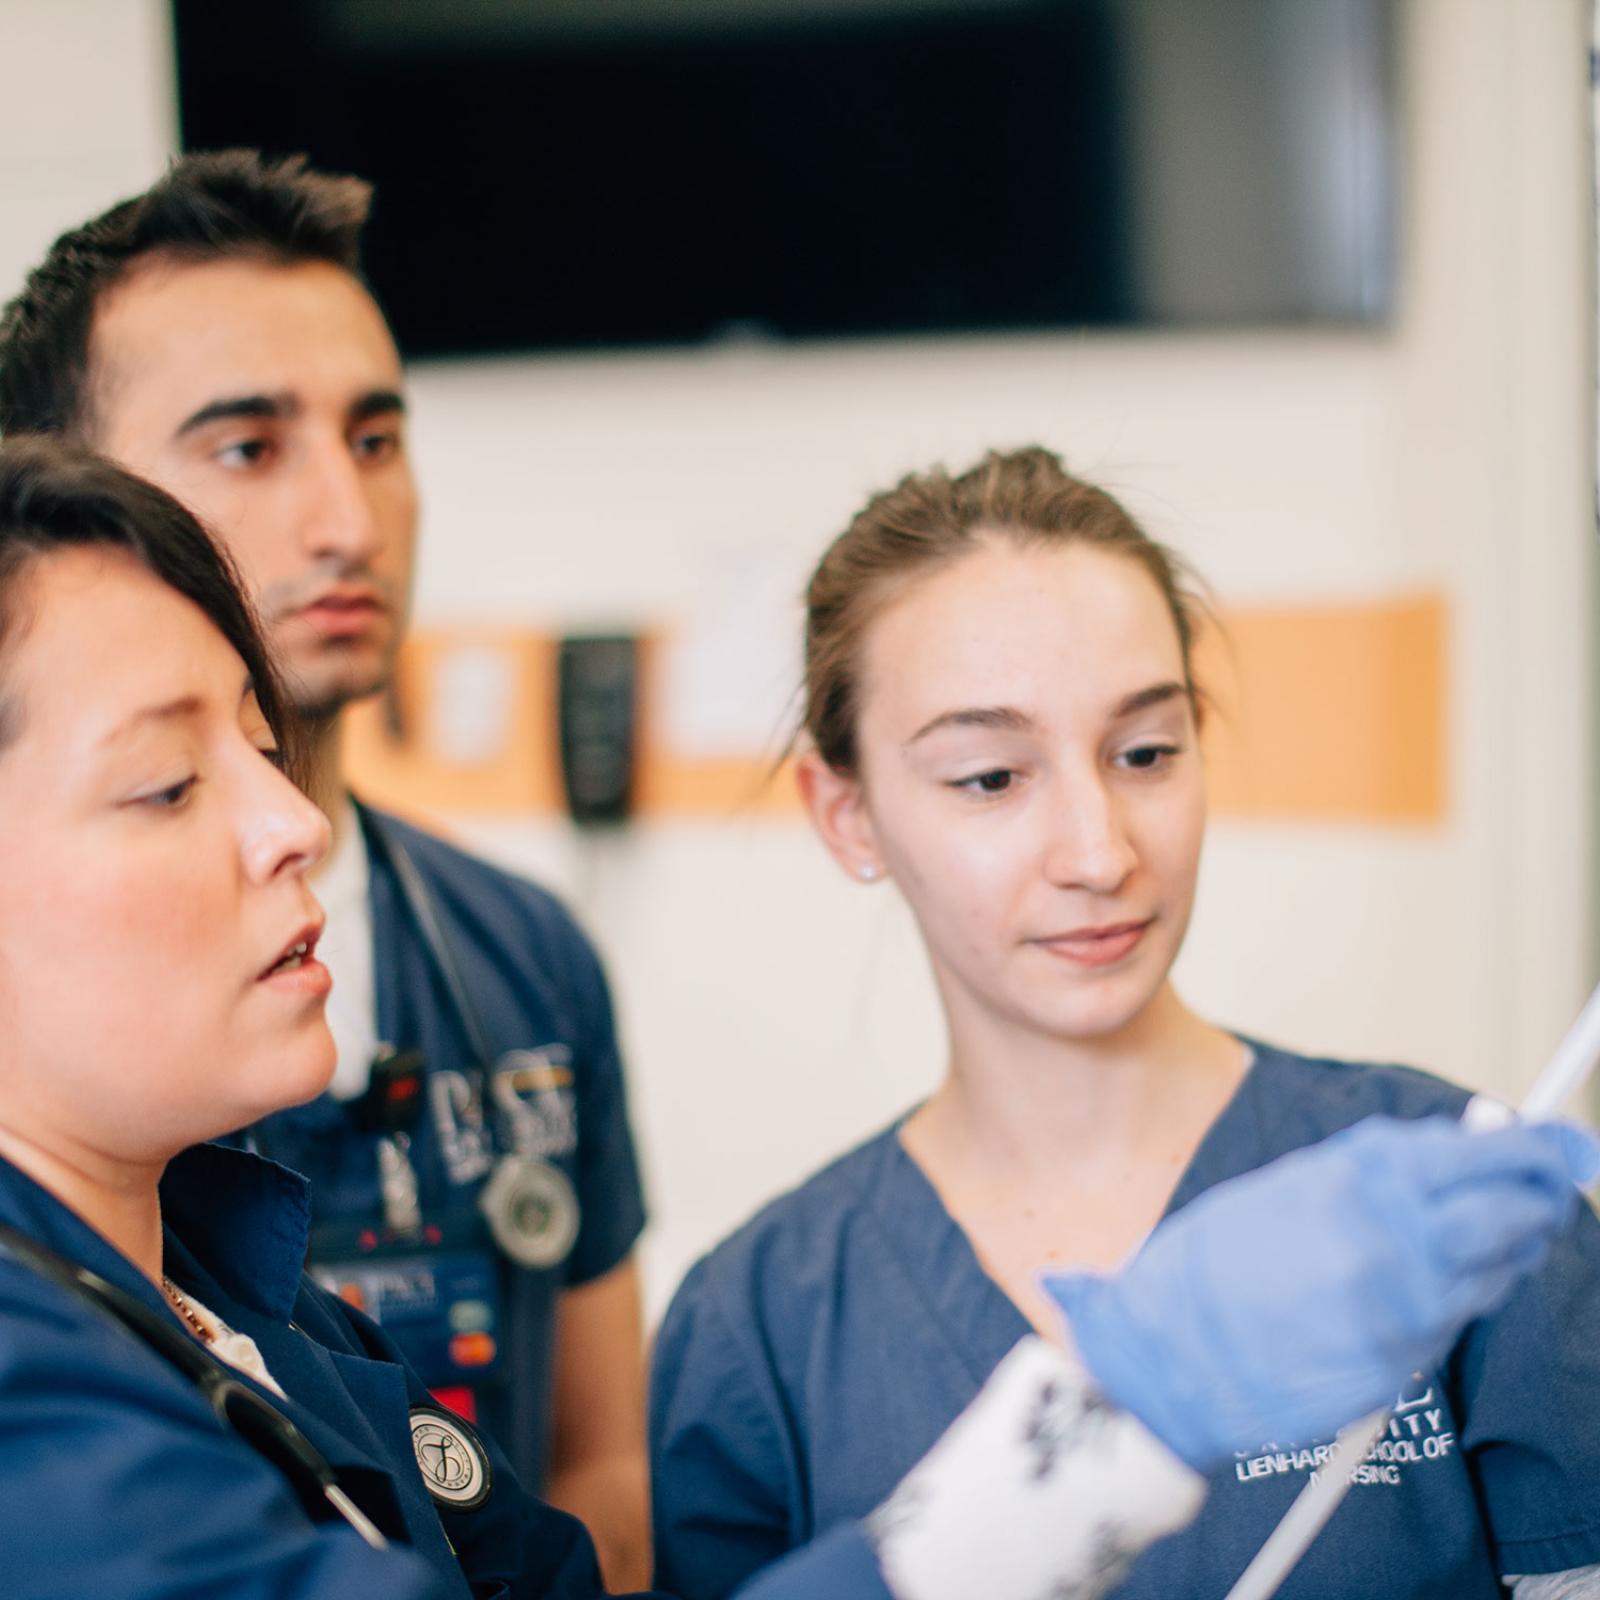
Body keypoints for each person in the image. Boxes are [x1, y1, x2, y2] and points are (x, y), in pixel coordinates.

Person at [6, 436, 1590, 1600]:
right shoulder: (768, 1321)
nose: (297, 825)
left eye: (266, 749)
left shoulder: (278, 1325)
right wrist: (1121, 1419)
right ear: (849, 812)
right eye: (163, 782)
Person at [649, 446, 1600, 1600]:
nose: (1101, 853)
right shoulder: (759, 1328)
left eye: (1145, 753)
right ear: (847, 814)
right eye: (991, 777)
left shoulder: (1454, 1209)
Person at [0, 151, 650, 1584]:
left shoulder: (250, 1292)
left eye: (375, 438)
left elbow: (559, 1523)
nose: (344, 522)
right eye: (248, 447)